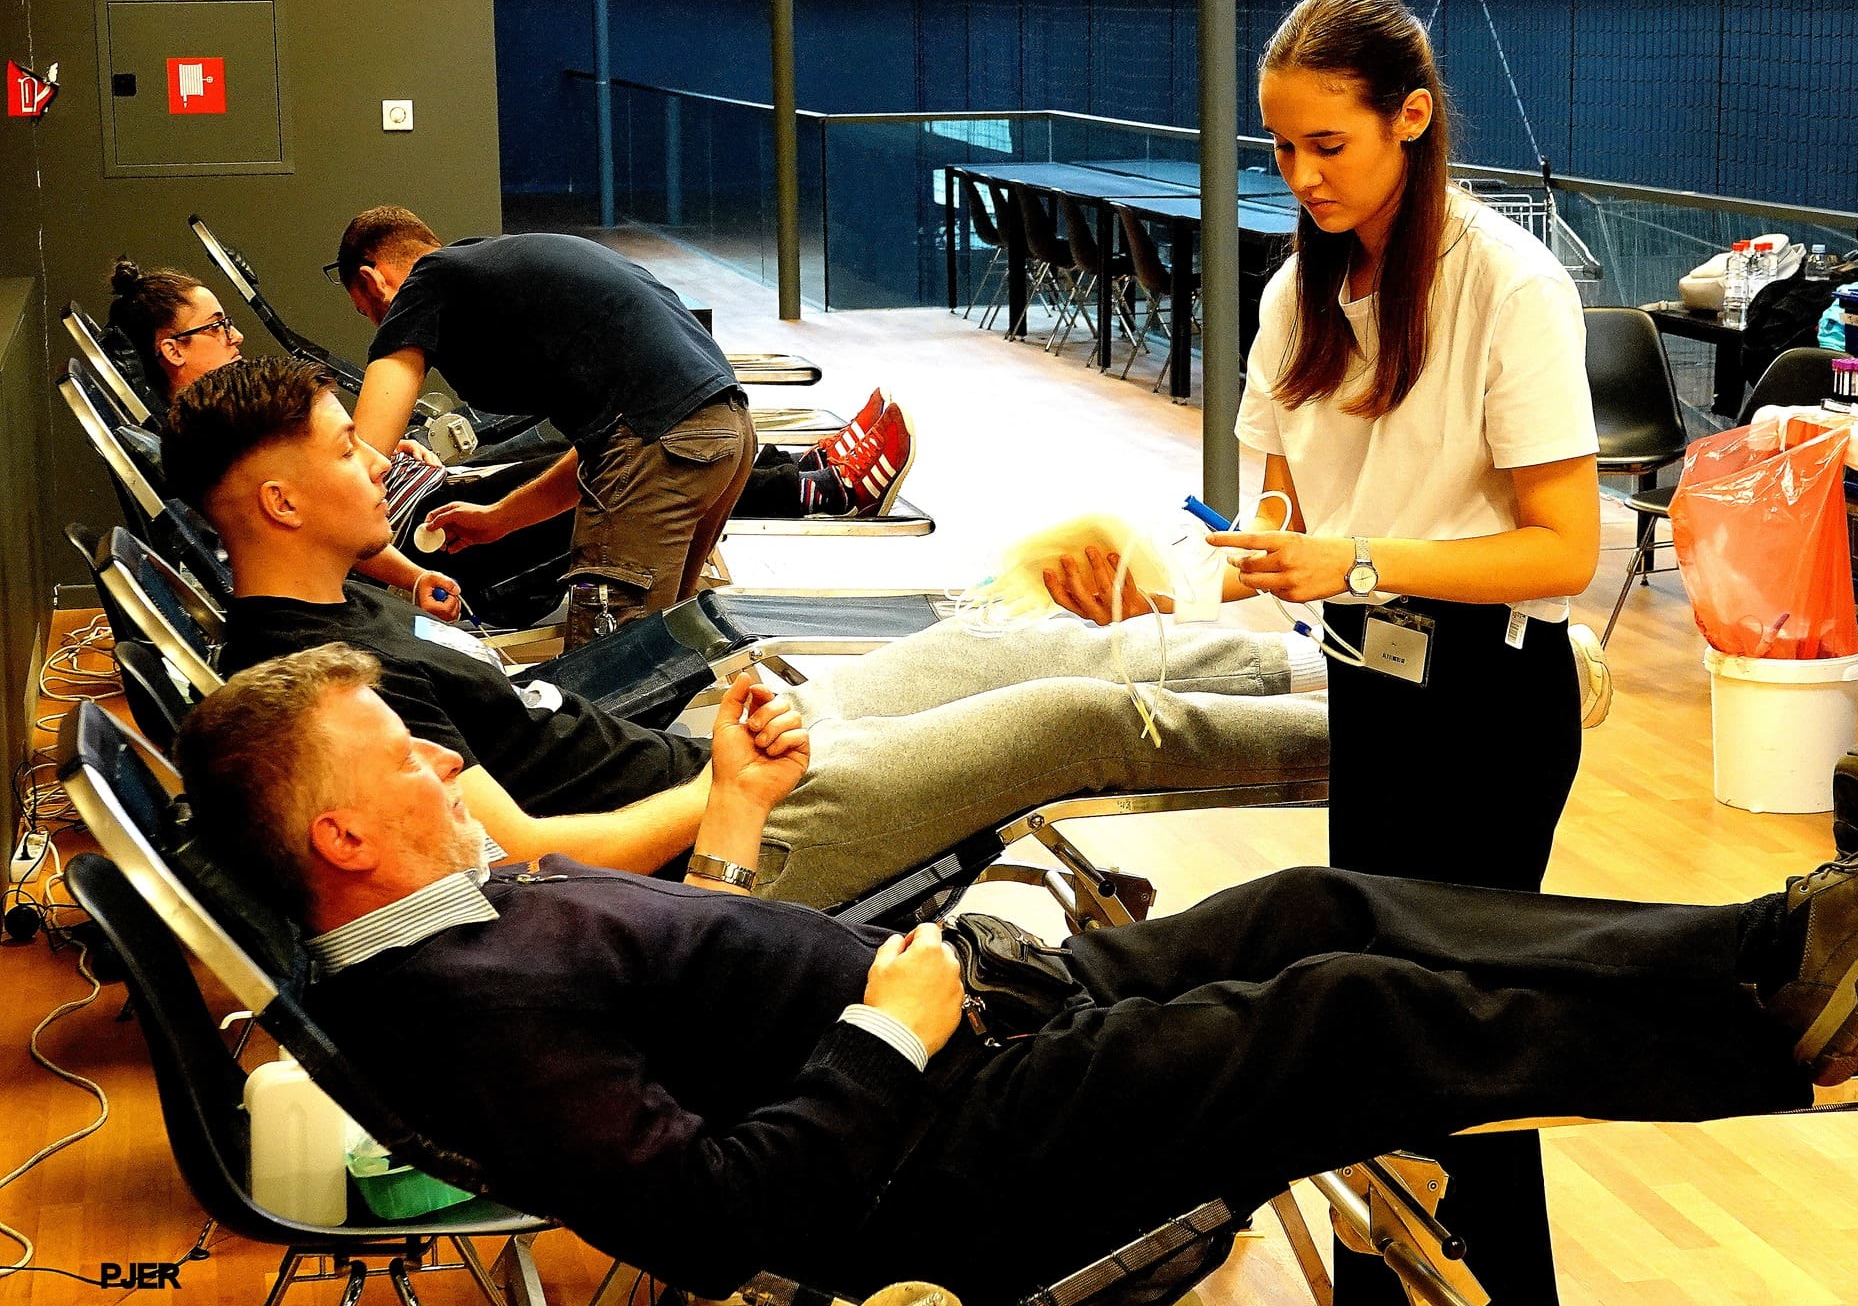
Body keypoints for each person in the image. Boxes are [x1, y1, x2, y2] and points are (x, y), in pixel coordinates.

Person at [172, 642, 1858, 1306]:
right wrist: (889, 1031)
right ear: (344, 833)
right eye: (403, 751)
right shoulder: (460, 1005)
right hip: (945, 1154)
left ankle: (1775, 944)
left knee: (1308, 898)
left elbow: (674, 1005)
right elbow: (716, 1216)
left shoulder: (468, 920)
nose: (443, 754)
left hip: (975, 1024)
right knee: (1339, 1015)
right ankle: (1784, 1027)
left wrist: (728, 828)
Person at [1048, 0, 1603, 1306]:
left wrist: (1351, 560)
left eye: (1327, 145)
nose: (1301, 175)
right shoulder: (1300, 288)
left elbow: (1563, 549)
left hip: (1489, 702)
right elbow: (1275, 514)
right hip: (1376, 683)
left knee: (1459, 1022)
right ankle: (1386, 1304)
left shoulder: (1507, 285)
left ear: (1411, 118)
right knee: (1373, 1010)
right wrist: (1176, 572)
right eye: (1281, 148)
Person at [160, 356, 1328, 910]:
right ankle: (1382, 747)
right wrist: (733, 788)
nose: (377, 461)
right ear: (281, 503)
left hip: (711, 754)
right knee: (1071, 722)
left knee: (1013, 642)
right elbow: (520, 859)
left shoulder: (341, 600)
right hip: (727, 838)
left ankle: (1327, 671)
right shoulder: (317, 691)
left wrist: (408, 568)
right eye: (345, 451)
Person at [332, 207, 914, 637]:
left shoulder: (427, 281)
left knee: (607, 668)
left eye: (368, 313)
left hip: (667, 443)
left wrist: (337, 489)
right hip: (726, 429)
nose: (380, 325)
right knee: (655, 650)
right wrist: (499, 519)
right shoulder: (497, 268)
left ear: (373, 279)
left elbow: (359, 454)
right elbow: (603, 450)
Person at [106, 257, 466, 622]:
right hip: (393, 531)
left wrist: (360, 450)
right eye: (217, 326)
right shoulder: (225, 446)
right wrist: (414, 576)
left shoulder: (233, 422)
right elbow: (325, 523)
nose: (236, 336)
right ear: (173, 350)